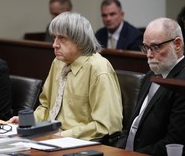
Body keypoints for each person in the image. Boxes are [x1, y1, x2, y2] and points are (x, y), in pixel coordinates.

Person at [9, 12, 123, 140]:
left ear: (80, 40)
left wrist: (62, 135)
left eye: (62, 38)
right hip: (50, 137)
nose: (55, 44)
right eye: (54, 38)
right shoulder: (58, 62)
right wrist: (29, 123)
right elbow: (46, 107)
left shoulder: (98, 68)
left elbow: (107, 125)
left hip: (79, 143)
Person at [122, 17, 185, 156]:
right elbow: (133, 126)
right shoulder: (150, 75)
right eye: (146, 47)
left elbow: (173, 142)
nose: (149, 55)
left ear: (177, 44)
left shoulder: (182, 83)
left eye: (156, 47)